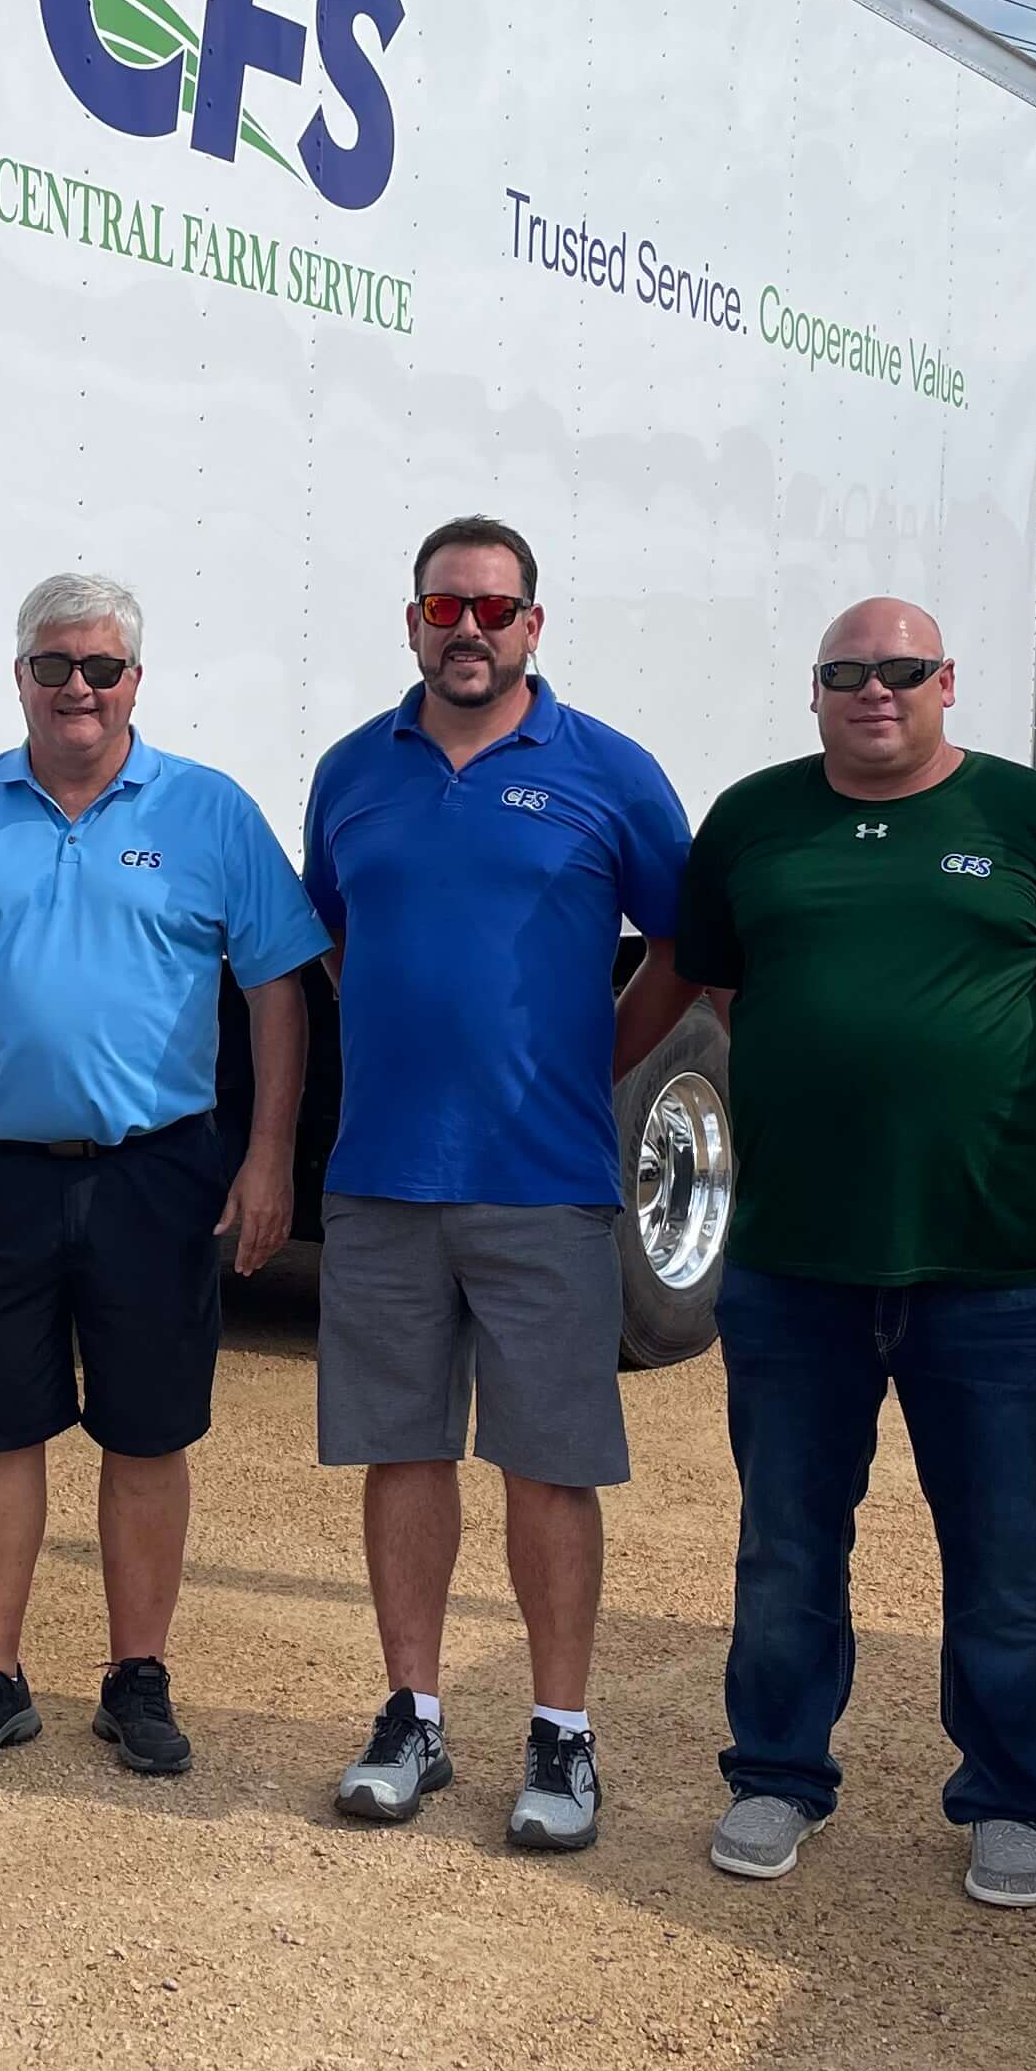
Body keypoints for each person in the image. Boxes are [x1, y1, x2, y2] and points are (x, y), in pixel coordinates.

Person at [631, 595, 1036, 1908]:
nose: (875, 691)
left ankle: (1013, 1798)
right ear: (816, 693)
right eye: (847, 672)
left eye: (901, 670)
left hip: (993, 1261)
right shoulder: (756, 820)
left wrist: (1007, 1109)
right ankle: (778, 1774)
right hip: (796, 1261)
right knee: (789, 1542)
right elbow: (726, 984)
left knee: (1008, 1549)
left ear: (946, 682)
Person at [0, 573, 328, 1781]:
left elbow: (278, 992)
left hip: (157, 1174)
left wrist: (268, 1155)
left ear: (134, 683)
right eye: (54, 665)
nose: (78, 687)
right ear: (19, 677)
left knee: (145, 1431)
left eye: (101, 668)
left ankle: (137, 1676)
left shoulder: (211, 813)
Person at [299, 515, 691, 1852]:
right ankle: (411, 1713)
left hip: (545, 1185)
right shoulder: (353, 771)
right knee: (401, 1454)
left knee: (547, 1465)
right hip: (385, 1182)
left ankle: (562, 1735)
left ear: (534, 625)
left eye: (494, 609)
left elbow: (688, 946)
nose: (469, 631)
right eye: (445, 608)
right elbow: (338, 939)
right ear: (413, 621)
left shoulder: (607, 772)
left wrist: (604, 1050)